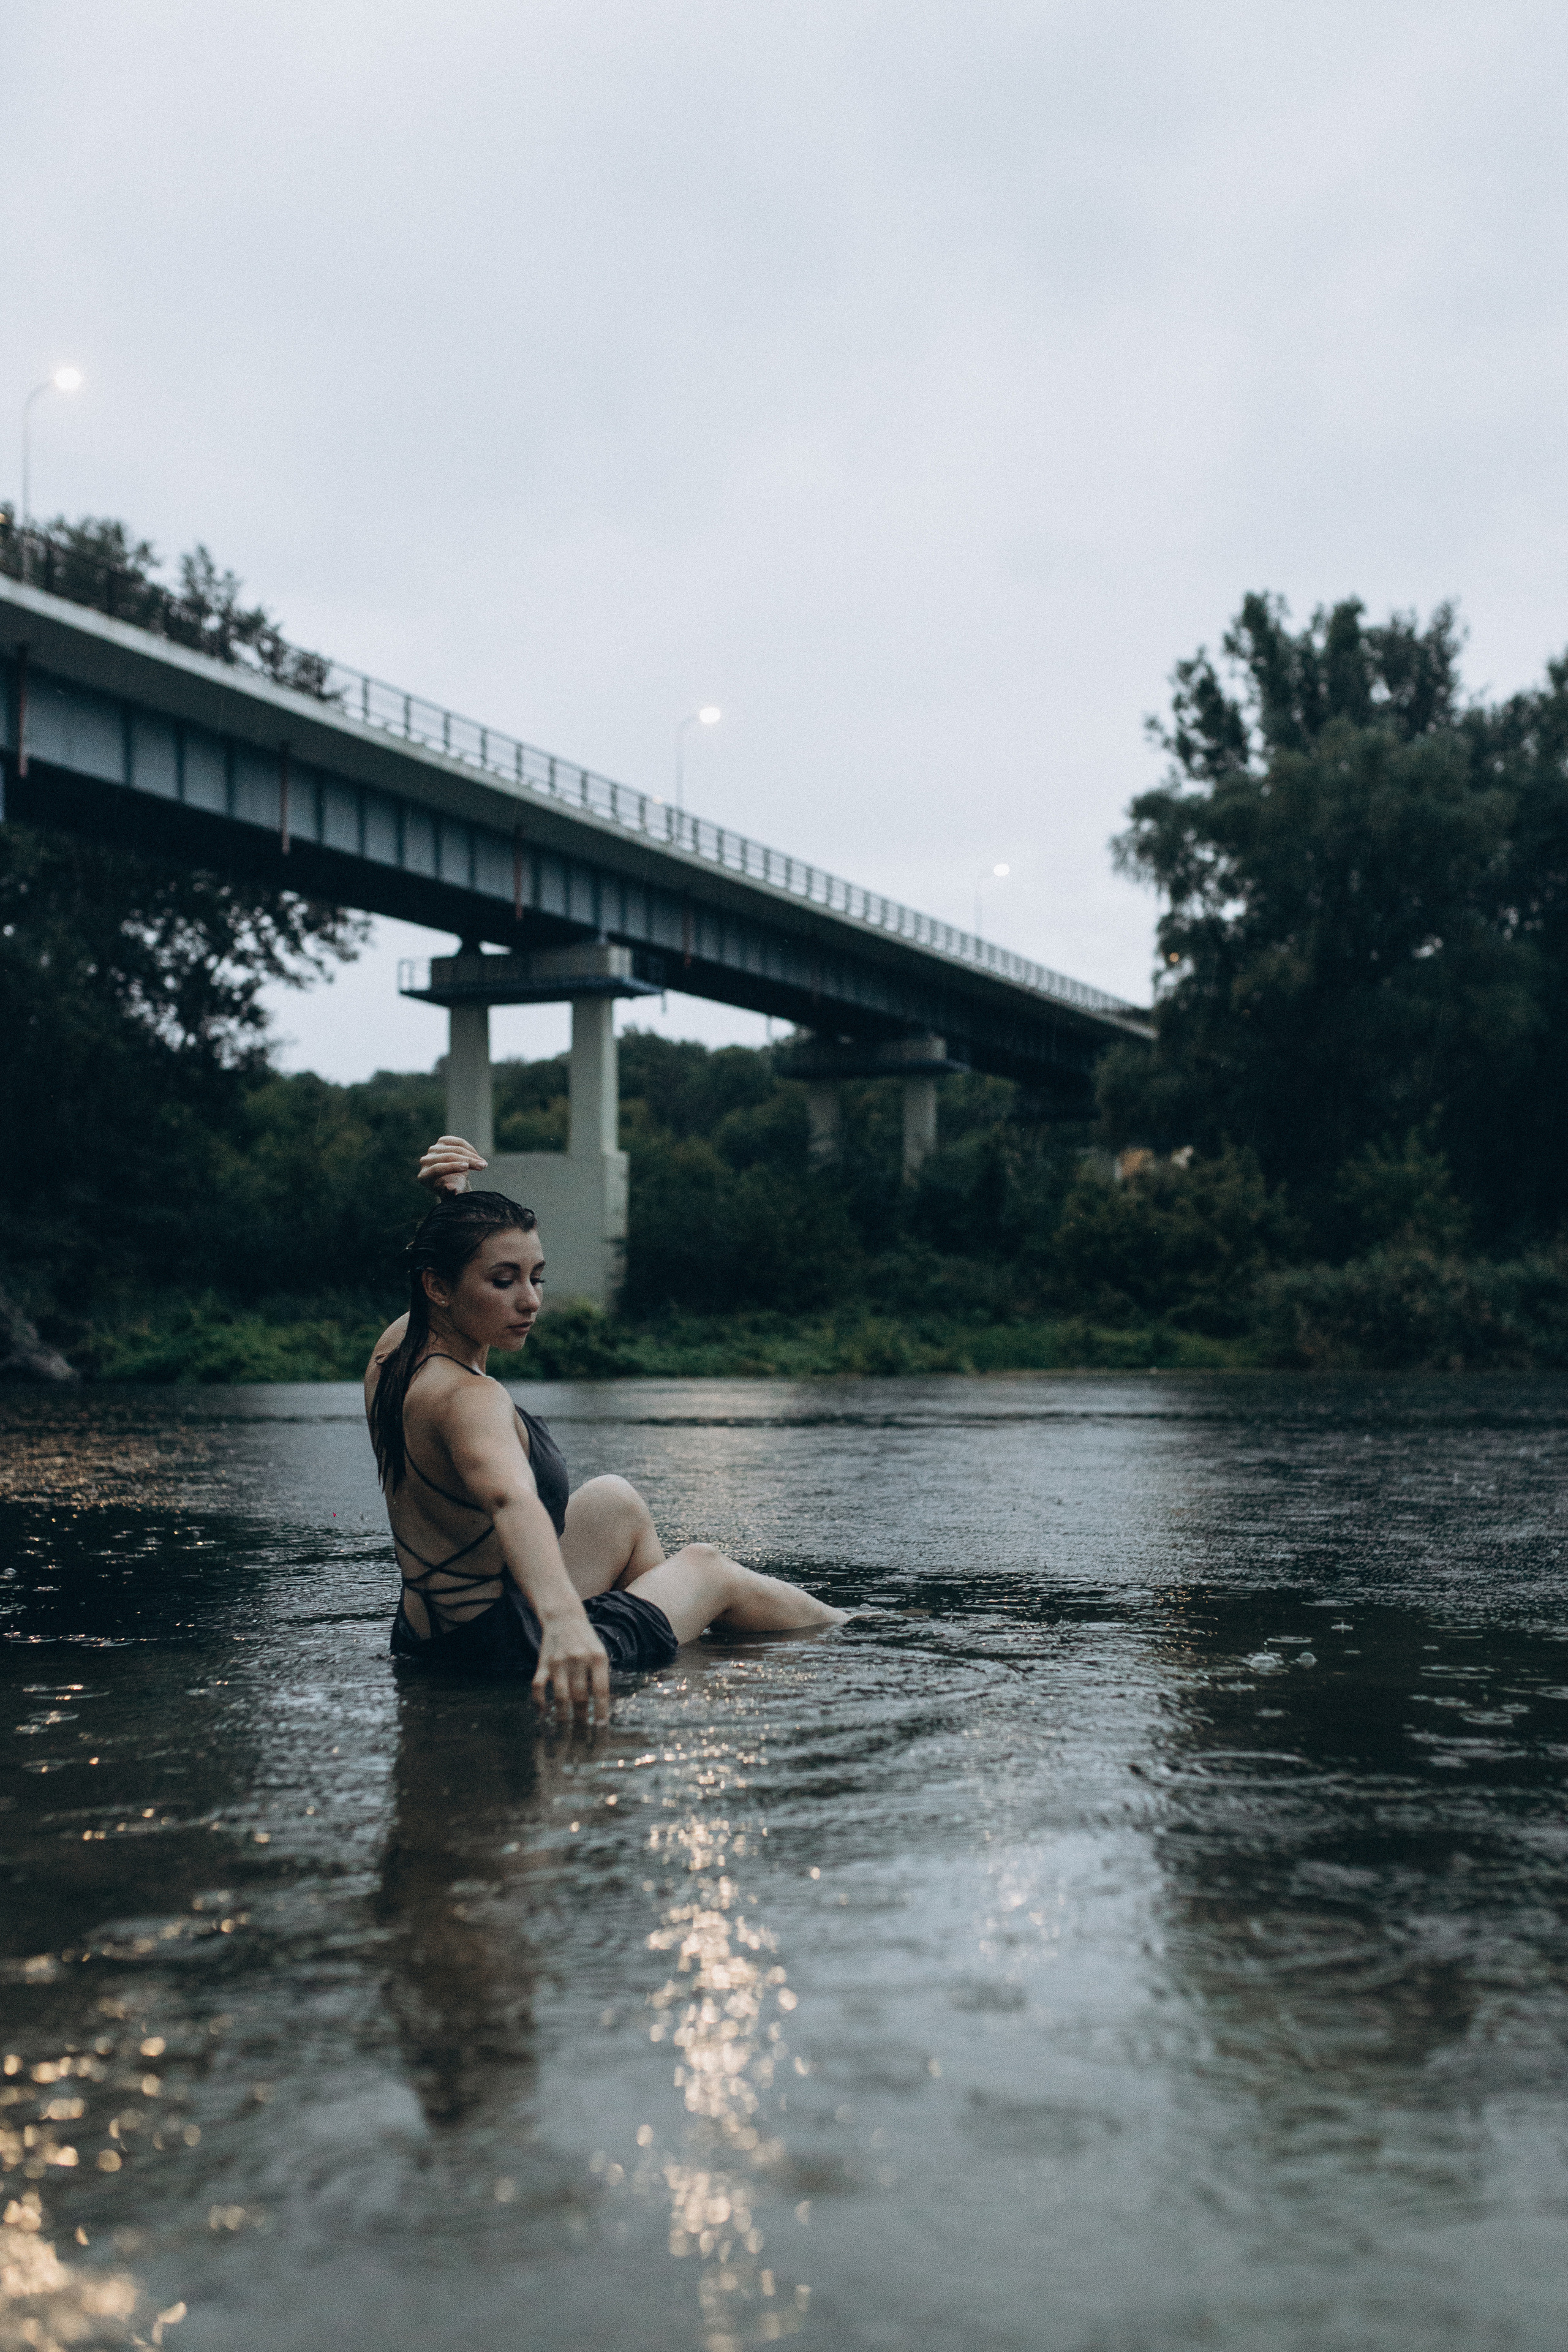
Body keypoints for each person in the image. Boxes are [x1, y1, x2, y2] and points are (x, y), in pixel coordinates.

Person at [363, 1133, 847, 1719]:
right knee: (708, 1568)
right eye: (503, 1280)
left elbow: (437, 1281)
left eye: (536, 1277)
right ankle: (851, 1630)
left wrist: (456, 1213)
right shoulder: (472, 1398)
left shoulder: (394, 1354)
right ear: (439, 1287)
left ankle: (657, 1645)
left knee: (614, 1503)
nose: (530, 1301)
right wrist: (566, 1625)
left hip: (431, 1634)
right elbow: (511, 1500)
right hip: (509, 1649)